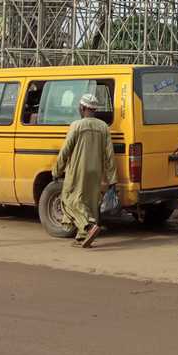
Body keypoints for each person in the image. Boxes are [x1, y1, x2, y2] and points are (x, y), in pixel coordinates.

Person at [53, 93, 116, 248]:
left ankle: (88, 226)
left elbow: (65, 150)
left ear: (82, 108)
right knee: (90, 202)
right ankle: (82, 237)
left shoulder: (77, 125)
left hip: (78, 169)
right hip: (96, 170)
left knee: (69, 200)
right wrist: (112, 178)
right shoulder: (104, 127)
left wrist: (56, 169)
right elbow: (110, 155)